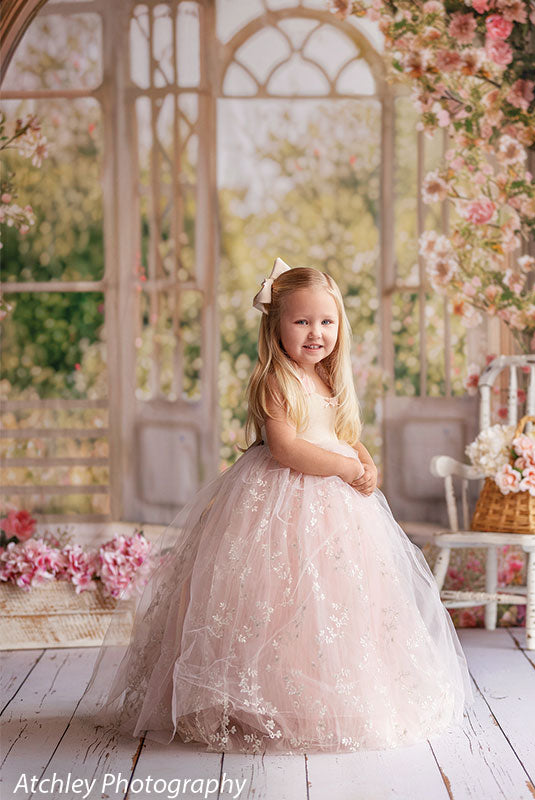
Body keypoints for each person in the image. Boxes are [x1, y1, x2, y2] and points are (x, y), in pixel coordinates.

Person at [80, 257, 474, 755]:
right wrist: (345, 468)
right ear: (276, 326)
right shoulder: (276, 379)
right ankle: (254, 699)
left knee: (334, 598)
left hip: (335, 508)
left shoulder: (330, 381)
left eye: (326, 322)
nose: (316, 333)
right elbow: (287, 448)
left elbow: (341, 436)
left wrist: (364, 460)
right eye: (302, 321)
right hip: (277, 500)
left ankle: (324, 695)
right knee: (272, 598)